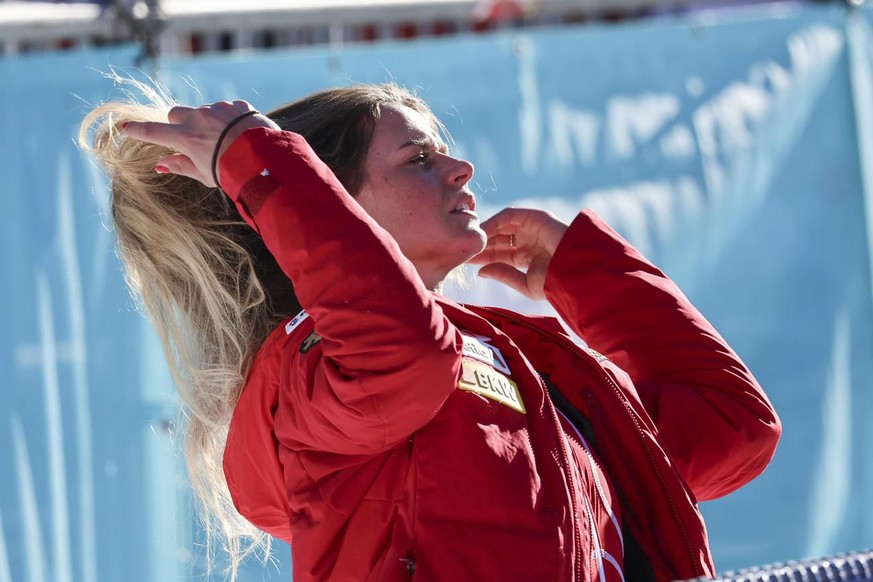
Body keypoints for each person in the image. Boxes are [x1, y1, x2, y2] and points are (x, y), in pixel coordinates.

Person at [81, 82, 781, 582]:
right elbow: (400, 356)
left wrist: (590, 273)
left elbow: (729, 432)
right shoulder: (310, 364)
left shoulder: (527, 361)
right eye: (417, 159)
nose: (460, 168)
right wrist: (255, 159)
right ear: (335, 207)